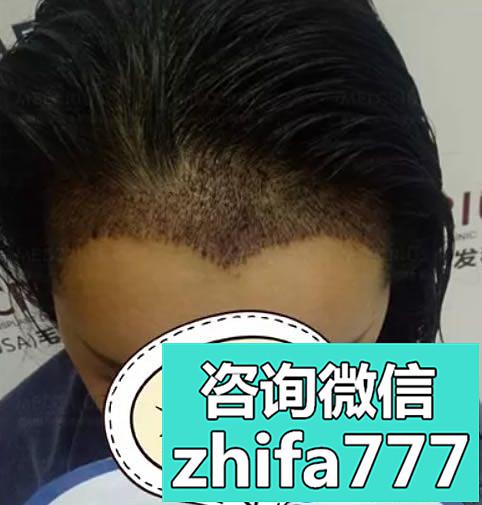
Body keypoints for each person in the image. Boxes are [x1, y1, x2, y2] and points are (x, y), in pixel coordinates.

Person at [0, 0, 457, 503]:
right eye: (140, 381)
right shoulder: (19, 463)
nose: (231, 438)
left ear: (398, 273)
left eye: (310, 376)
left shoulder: (436, 445)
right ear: (43, 288)